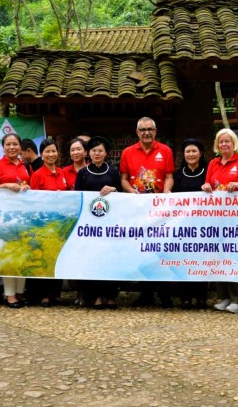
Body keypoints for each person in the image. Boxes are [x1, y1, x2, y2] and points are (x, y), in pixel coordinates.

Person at [120, 117, 175, 307]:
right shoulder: (128, 152)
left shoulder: (165, 150)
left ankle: (165, 293)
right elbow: (124, 179)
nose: (146, 133)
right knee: (142, 250)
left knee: (161, 250)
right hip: (139, 208)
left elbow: (169, 176)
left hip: (160, 209)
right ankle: (146, 293)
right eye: (142, 129)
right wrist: (131, 191)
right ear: (137, 132)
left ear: (155, 130)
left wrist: (167, 191)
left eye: (150, 129)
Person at [203, 129, 238, 314]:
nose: (224, 144)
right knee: (218, 256)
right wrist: (205, 186)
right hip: (217, 219)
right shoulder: (213, 163)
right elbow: (208, 185)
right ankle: (223, 296)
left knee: (235, 257)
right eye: (221, 142)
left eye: (227, 141)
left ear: (234, 143)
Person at [0, 132, 31, 308]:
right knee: (10, 254)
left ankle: (20, 292)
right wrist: (5, 186)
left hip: (23, 216)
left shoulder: (25, 166)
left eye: (15, 144)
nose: (12, 147)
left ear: (20, 147)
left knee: (22, 254)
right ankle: (9, 295)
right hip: (4, 218)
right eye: (8, 144)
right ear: (3, 147)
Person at [74, 136, 121, 309]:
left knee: (109, 259)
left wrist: (114, 189)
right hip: (89, 226)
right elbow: (77, 198)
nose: (97, 153)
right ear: (88, 153)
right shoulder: (83, 173)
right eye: (93, 150)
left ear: (106, 153)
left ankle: (110, 295)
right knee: (92, 259)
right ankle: (94, 296)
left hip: (110, 225)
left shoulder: (113, 172)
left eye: (100, 150)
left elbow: (123, 196)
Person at [28, 138, 69, 307]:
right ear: (41, 154)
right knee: (44, 256)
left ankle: (56, 293)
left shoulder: (62, 172)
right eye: (47, 152)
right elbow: (33, 200)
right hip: (44, 224)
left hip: (61, 223)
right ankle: (44, 294)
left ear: (57, 153)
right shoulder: (38, 174)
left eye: (53, 151)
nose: (51, 154)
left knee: (58, 257)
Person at [172, 138, 208, 309]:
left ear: (200, 153)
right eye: (188, 151)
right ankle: (185, 296)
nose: (191, 154)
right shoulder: (178, 175)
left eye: (194, 151)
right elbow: (171, 196)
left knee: (201, 259)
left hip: (204, 224)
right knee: (184, 259)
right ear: (183, 155)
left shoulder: (208, 171)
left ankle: (201, 296)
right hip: (183, 225)